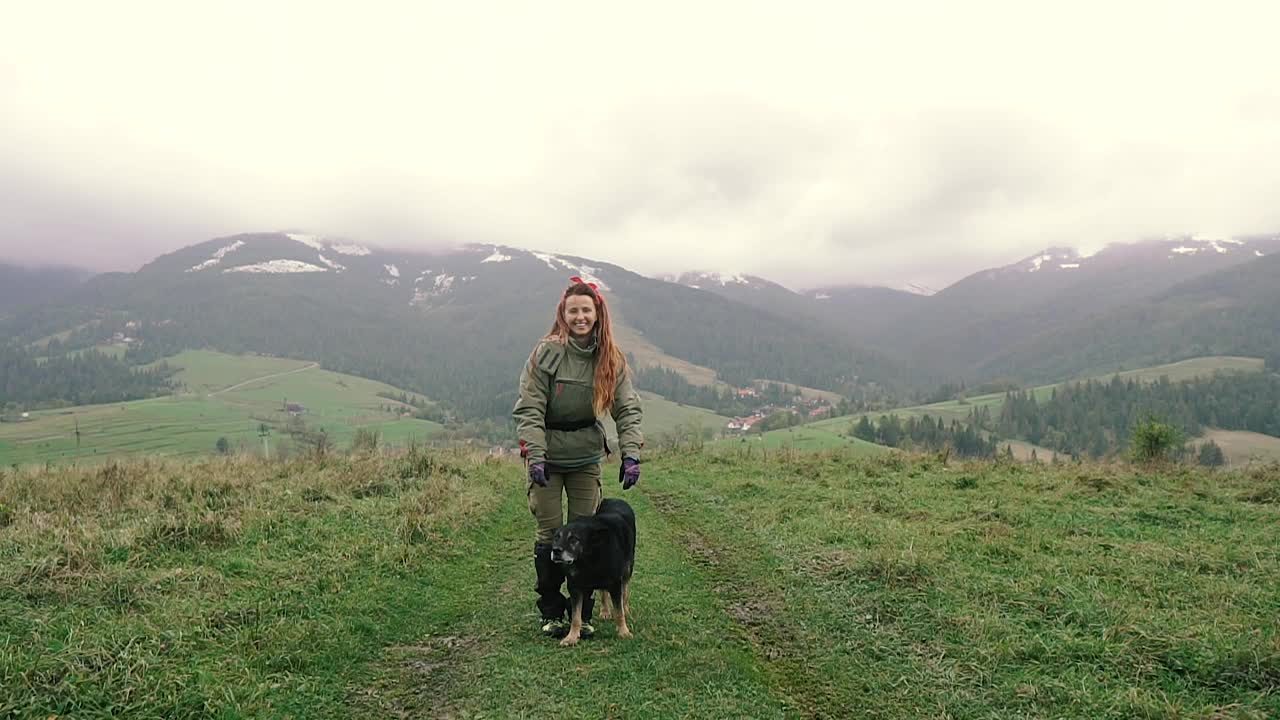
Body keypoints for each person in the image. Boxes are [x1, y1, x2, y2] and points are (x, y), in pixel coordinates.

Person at [512, 277, 644, 638]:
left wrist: (631, 453)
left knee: (585, 532)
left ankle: (581, 614)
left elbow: (627, 410)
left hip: (586, 456)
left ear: (597, 313)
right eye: (574, 310)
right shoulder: (546, 353)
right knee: (551, 533)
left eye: (586, 310)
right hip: (548, 458)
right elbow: (530, 407)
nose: (580, 316)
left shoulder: (610, 360)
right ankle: (553, 611)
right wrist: (535, 455)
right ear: (563, 314)